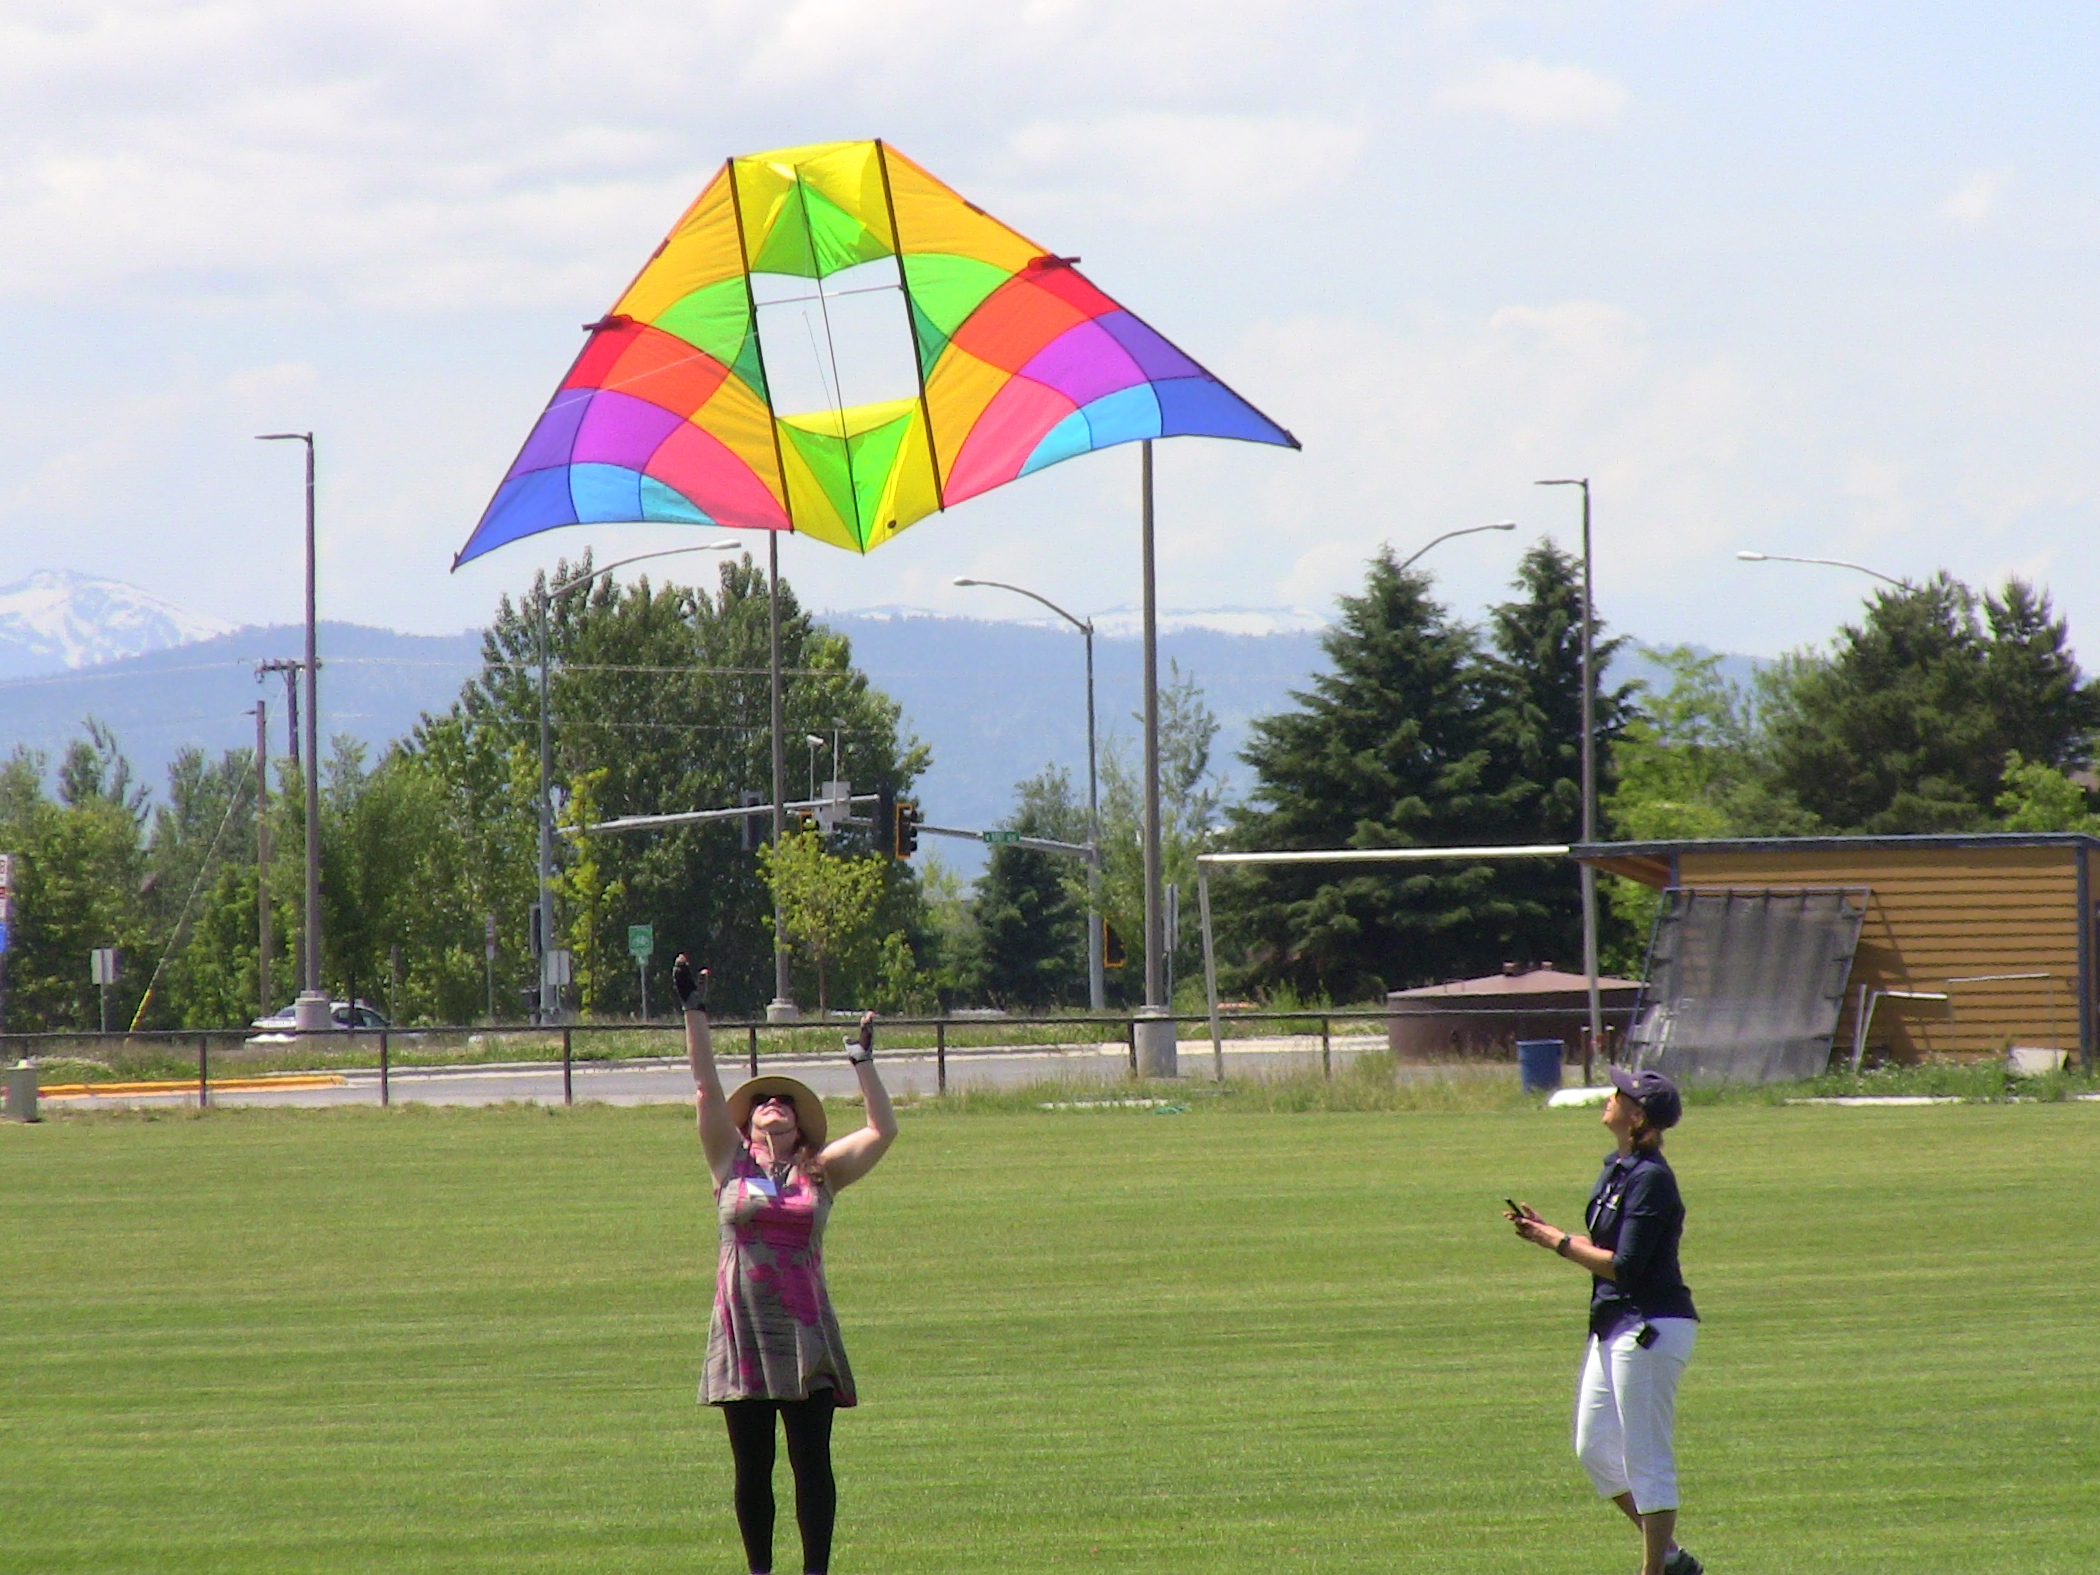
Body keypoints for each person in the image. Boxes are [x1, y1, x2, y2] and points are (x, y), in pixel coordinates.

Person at [675, 954, 898, 1575]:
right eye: (764, 1100)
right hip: (743, 1334)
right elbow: (705, 1089)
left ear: (801, 1125)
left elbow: (883, 1130)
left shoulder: (821, 1171)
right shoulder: (730, 1165)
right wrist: (694, 1011)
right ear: (747, 1123)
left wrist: (862, 1062)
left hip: (805, 1338)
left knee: (811, 1465)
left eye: (786, 1101)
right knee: (752, 1470)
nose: (774, 1103)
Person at [1507, 1066, 1702, 1575]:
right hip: (1613, 1321)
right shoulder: (1619, 1167)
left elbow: (1626, 1264)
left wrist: (1558, 1244)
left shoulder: (1652, 1179)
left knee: (1645, 1456)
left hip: (1651, 1325)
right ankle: (1673, 1556)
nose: (1610, 1097)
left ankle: (1653, 1570)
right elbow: (1608, 1249)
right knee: (1594, 1449)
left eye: (1621, 1094)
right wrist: (1548, 1231)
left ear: (1638, 1115)